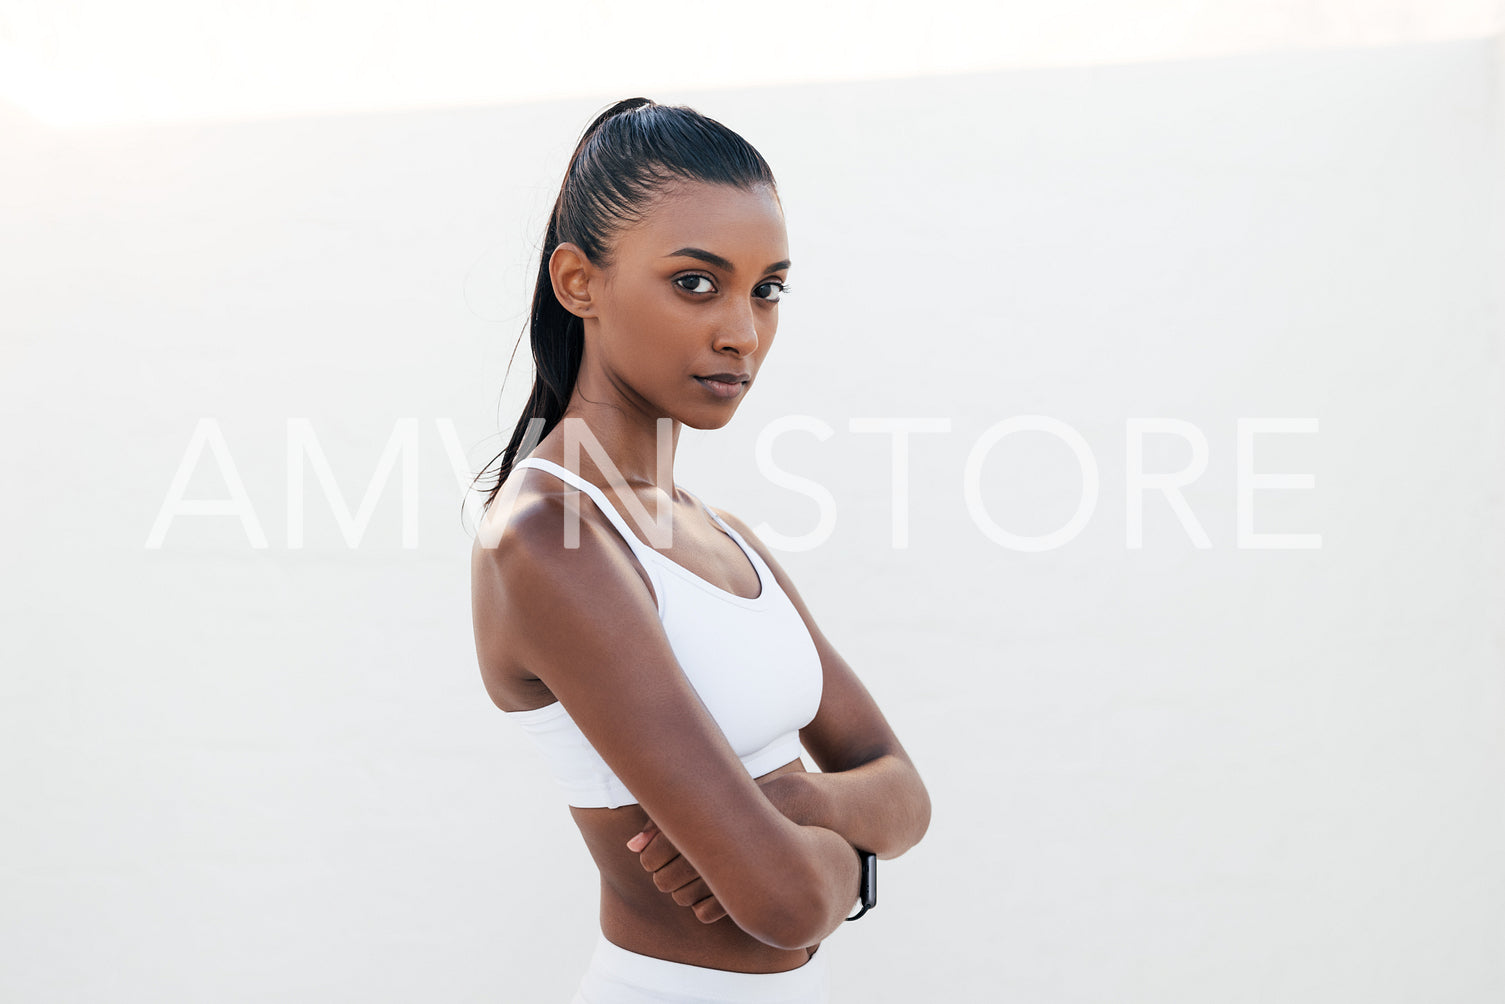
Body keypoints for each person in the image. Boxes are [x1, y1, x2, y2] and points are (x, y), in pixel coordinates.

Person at [467, 97, 931, 1004]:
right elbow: (785, 902)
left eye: (768, 288)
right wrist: (851, 860)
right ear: (577, 282)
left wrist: (799, 807)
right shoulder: (547, 539)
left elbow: (906, 793)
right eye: (694, 282)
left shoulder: (721, 536)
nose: (742, 331)